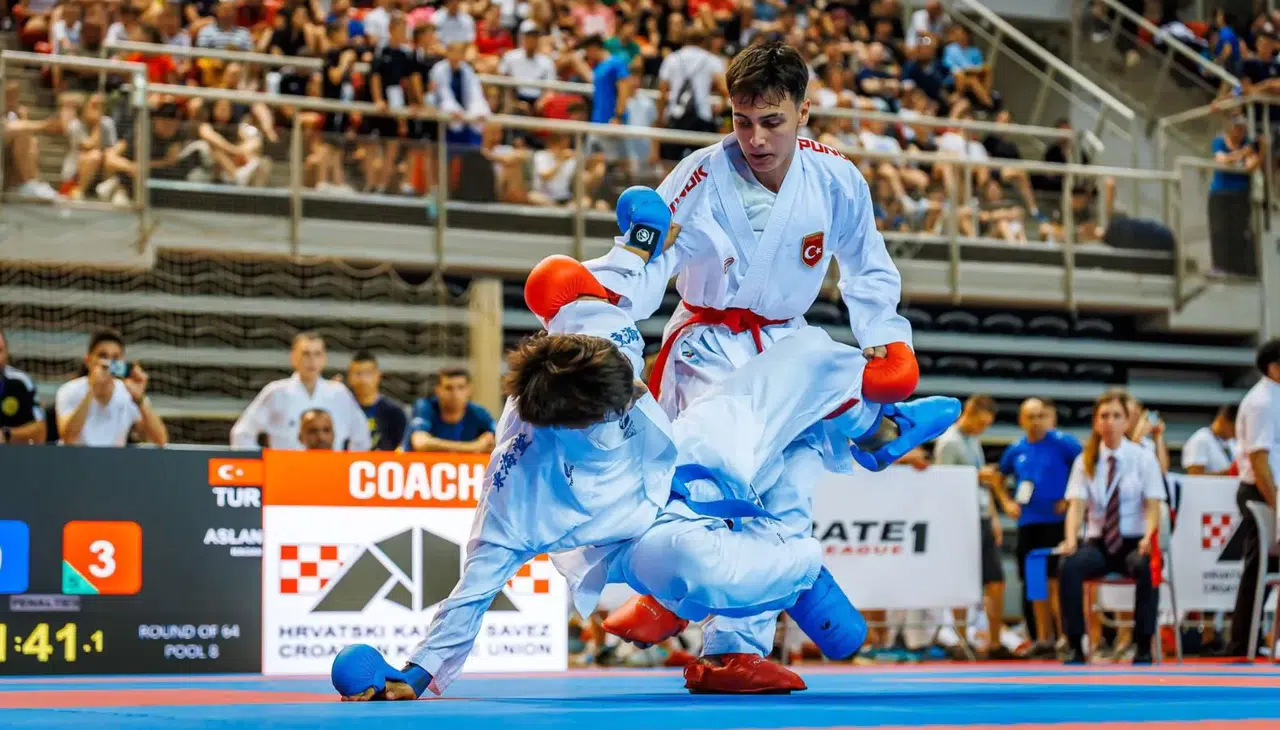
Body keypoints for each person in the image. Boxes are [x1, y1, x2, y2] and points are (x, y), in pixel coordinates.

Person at [331, 255, 958, 701]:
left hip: (679, 457)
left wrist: (639, 238)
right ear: (573, 426)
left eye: (631, 382)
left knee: (799, 358)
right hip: (634, 539)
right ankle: (793, 572)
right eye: (624, 400)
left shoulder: (598, 343)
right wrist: (417, 674)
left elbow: (604, 282)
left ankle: (874, 428)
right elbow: (472, 592)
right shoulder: (520, 501)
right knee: (701, 563)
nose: (638, 392)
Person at [585, 41, 953, 692]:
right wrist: (605, 309)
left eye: (772, 122)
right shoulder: (698, 176)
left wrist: (884, 337)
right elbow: (648, 263)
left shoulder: (836, 179)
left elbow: (866, 264)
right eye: (742, 121)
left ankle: (730, 648)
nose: (754, 139)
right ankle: (676, 593)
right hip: (709, 346)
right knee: (722, 484)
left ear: (804, 112)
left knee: (786, 495)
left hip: (784, 343)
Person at [1058, 389, 1167, 665]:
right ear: (1096, 422)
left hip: (1134, 541)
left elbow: (1153, 504)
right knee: (1069, 566)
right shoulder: (1085, 460)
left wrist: (1148, 536)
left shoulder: (1143, 458)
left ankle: (1143, 645)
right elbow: (1076, 506)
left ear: (1127, 421)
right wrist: (1071, 540)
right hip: (1099, 543)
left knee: (1146, 567)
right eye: (1104, 416)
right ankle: (1075, 644)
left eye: (1116, 416)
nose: (1110, 422)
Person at [992, 397, 1082, 658]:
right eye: (1030, 417)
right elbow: (998, 476)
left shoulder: (1064, 443)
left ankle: (1066, 638)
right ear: (1021, 420)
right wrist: (1006, 502)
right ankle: (1044, 638)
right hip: (1028, 523)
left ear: (1049, 418)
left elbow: (1086, 467)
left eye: (1040, 416)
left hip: (1057, 524)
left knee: (1056, 583)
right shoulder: (1016, 449)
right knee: (1034, 583)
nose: (1036, 421)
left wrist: (1070, 499)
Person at [932, 394, 1014, 659]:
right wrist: (979, 476)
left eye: (986, 425)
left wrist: (993, 517)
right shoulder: (949, 442)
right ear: (969, 411)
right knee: (963, 580)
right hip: (960, 519)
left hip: (980, 516)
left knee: (996, 581)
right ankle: (962, 640)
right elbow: (944, 483)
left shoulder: (973, 441)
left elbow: (983, 485)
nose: (982, 429)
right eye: (980, 423)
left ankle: (994, 642)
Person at [1223, 338, 1279, 658]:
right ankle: (1242, 642)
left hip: (1271, 490)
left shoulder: (1274, 397)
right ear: (1274, 367)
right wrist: (1277, 504)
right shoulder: (1262, 402)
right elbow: (1259, 460)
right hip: (1261, 491)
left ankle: (1250, 640)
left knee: (1260, 568)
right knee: (1258, 569)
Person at [230, 332, 371, 451]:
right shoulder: (276, 392)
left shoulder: (339, 394)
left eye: (317, 354)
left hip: (330, 471)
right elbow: (242, 434)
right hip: (285, 471)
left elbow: (362, 437)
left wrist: (347, 467)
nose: (312, 360)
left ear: (324, 358)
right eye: (305, 354)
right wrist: (262, 466)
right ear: (293, 357)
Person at [55, 330, 167, 448]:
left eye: (115, 357)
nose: (108, 363)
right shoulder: (69, 390)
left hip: (114, 459)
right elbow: (68, 438)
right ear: (88, 360)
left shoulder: (128, 392)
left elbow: (160, 440)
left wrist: (140, 399)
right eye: (103, 356)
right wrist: (91, 391)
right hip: (76, 458)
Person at [402, 368, 496, 453]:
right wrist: (474, 446)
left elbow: (498, 441)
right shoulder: (425, 407)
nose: (455, 394)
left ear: (469, 390)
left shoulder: (479, 413)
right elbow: (420, 442)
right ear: (438, 390)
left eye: (461, 387)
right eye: (448, 388)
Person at [345, 351, 407, 451]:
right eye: (358, 374)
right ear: (349, 377)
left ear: (378, 375)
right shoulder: (342, 409)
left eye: (368, 373)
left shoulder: (394, 412)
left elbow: (402, 447)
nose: (363, 380)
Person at [0, 328, 46, 445]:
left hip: (11, 453)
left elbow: (40, 432)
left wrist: (6, 434)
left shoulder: (21, 382)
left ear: (7, 353)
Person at [1181, 405, 1238, 476]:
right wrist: (1230, 472)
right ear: (1222, 421)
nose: (1236, 434)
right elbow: (1194, 475)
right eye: (1233, 429)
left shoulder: (1231, 442)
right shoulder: (1200, 440)